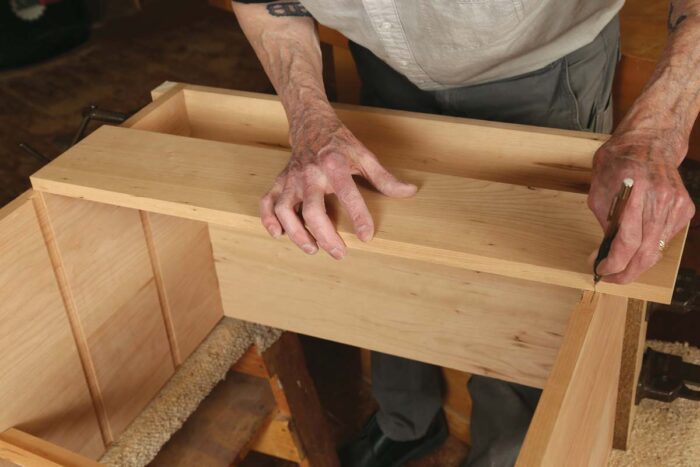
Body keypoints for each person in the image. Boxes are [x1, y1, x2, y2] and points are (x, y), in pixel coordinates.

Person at [231, 1, 699, 466]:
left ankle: (506, 454)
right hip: (382, 63)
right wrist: (309, 119)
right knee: (381, 245)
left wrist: (658, 130)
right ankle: (405, 424)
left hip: (545, 68)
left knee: (530, 304)